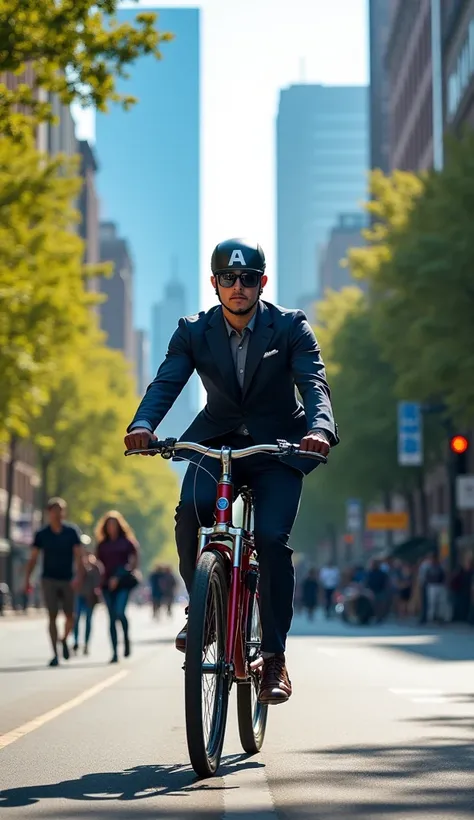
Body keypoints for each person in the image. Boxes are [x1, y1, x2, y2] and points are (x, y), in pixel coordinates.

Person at [124, 237, 338, 705]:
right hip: (216, 439)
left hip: (278, 445)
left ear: (262, 282)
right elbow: (166, 383)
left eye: (247, 278)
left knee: (272, 541)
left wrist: (319, 428)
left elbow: (314, 384)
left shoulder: (290, 328)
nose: (237, 286)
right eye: (228, 278)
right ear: (214, 283)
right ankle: (206, 610)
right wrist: (143, 424)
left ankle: (275, 659)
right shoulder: (192, 332)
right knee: (190, 512)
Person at [24, 498, 84, 667]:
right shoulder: (42, 534)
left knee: (71, 617)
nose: (57, 514)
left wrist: (79, 576)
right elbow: (33, 558)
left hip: (68, 579)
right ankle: (54, 654)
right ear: (48, 513)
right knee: (52, 616)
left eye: (60, 510)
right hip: (48, 579)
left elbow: (79, 556)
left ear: (63, 512)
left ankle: (64, 639)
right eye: (54, 511)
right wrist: (27, 579)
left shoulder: (71, 532)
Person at [95, 510, 139, 663]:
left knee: (120, 612)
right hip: (106, 585)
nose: (111, 527)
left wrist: (119, 576)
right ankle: (114, 652)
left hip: (123, 583)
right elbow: (98, 565)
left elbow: (133, 563)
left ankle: (126, 639)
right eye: (109, 525)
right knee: (111, 617)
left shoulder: (127, 543)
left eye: (114, 524)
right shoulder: (102, 545)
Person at [73, 552, 104, 655]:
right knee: (76, 619)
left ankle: (86, 644)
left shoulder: (95, 567)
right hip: (79, 595)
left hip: (90, 598)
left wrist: (94, 565)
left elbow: (100, 579)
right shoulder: (77, 564)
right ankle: (76, 642)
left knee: (88, 620)